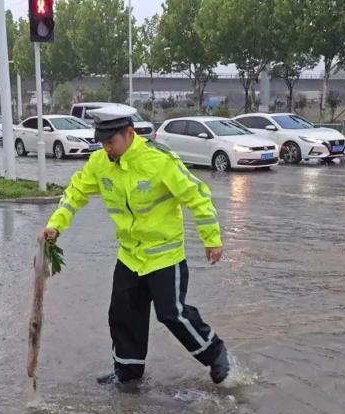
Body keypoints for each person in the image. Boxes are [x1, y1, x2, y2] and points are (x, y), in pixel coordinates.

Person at [38, 106, 236, 387]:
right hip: (130, 256)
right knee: (122, 314)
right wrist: (55, 224)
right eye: (103, 143)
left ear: (129, 134)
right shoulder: (100, 163)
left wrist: (211, 238)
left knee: (172, 313)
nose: (107, 149)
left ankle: (216, 353)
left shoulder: (159, 160)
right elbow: (76, 193)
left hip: (165, 254)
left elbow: (197, 195)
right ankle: (128, 373)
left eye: (111, 142)